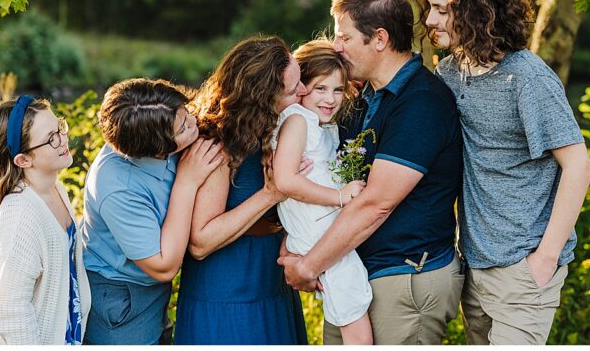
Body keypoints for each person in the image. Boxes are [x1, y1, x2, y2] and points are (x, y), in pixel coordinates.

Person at [409, 0, 590, 345]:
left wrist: (544, 259)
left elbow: (579, 166)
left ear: (477, 9)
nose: (429, 20)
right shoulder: (449, 73)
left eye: (442, 10)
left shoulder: (527, 78)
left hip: (524, 266)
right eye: (430, 7)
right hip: (474, 264)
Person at [279, 0, 464, 345]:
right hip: (353, 270)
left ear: (379, 39)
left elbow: (377, 203)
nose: (336, 46)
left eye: (344, 37)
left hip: (405, 277)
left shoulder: (421, 103)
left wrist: (308, 265)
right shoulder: (363, 95)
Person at [174, 36, 309, 344]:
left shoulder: (273, 127)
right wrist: (271, 194)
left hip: (270, 282)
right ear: (261, 97)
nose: (303, 92)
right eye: (292, 90)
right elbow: (201, 241)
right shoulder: (217, 143)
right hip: (229, 291)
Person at [81, 78, 223, 344]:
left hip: (153, 292)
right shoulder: (118, 187)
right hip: (121, 298)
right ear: (157, 148)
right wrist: (187, 181)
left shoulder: (158, 127)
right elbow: (163, 266)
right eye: (183, 127)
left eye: (187, 113)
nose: (194, 123)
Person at [0, 96, 91, 344]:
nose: (63, 140)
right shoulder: (20, 214)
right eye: (51, 138)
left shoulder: (55, 189)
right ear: (23, 160)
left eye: (60, 128)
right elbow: (11, 309)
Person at [270, 40, 373, 344]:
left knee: (348, 311)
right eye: (320, 89)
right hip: (322, 236)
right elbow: (286, 181)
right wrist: (341, 197)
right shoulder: (298, 120)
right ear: (300, 87)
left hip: (318, 230)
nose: (331, 99)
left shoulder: (314, 124)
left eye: (338, 90)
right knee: (355, 322)